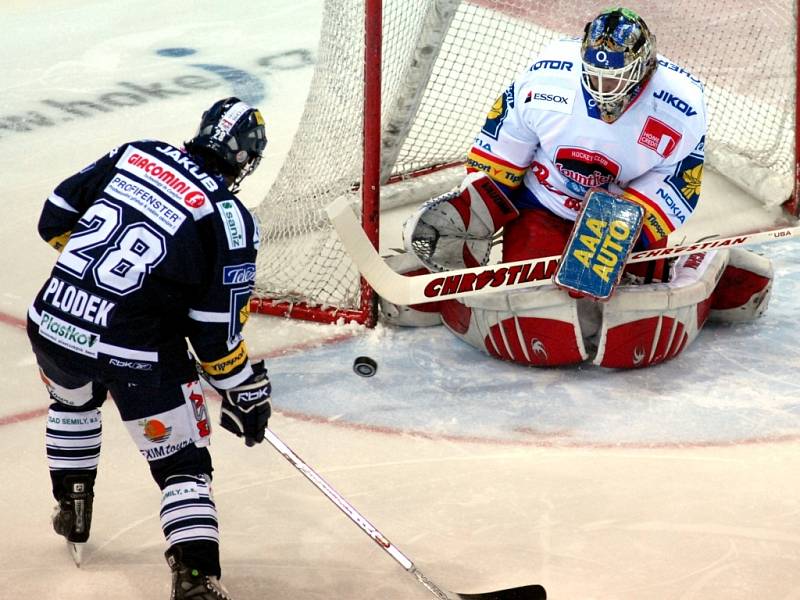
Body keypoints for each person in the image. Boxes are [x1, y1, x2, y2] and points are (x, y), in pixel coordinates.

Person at [387, 7, 774, 368]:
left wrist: (620, 226)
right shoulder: (544, 79)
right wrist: (481, 204)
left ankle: (707, 267)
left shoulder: (681, 105)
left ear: (642, 69)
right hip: (546, 204)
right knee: (532, 297)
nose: (604, 88)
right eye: (596, 75)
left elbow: (678, 181)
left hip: (624, 215)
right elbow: (502, 150)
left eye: (615, 78)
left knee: (630, 303)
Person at [27, 96, 270, 599]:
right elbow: (213, 340)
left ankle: (73, 503)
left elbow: (54, 218)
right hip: (137, 354)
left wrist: (102, 292)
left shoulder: (136, 154)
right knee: (181, 462)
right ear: (245, 160)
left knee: (72, 399)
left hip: (55, 324)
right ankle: (196, 576)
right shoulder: (229, 219)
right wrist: (245, 391)